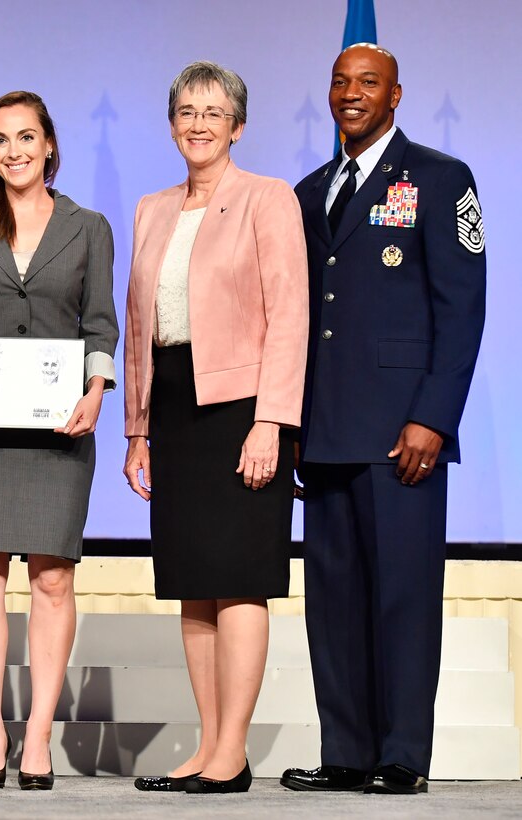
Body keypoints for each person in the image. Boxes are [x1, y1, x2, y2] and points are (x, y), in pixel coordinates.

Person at [281, 44, 486, 797]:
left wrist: (432, 416)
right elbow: (302, 318)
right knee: (332, 601)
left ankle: (400, 754)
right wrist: (290, 418)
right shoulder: (309, 192)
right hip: (327, 427)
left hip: (403, 432)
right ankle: (344, 750)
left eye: (366, 83)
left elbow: (460, 309)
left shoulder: (439, 178)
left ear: (395, 94)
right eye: (339, 82)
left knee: (401, 596)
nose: (350, 94)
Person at [0, 90, 119, 791]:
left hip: (58, 430)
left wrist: (96, 392)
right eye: (1, 140)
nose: (14, 151)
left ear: (49, 146)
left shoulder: (88, 227)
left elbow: (100, 324)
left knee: (51, 578)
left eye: (26, 137)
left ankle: (36, 739)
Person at [123, 62, 308, 795]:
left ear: (236, 124)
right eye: (185, 111)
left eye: (213, 111)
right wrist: (136, 429)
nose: (198, 123)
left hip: (242, 408)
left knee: (238, 583)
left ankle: (232, 752)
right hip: (172, 406)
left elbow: (290, 317)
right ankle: (209, 747)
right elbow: (139, 325)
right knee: (194, 586)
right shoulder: (151, 208)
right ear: (171, 124)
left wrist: (271, 422)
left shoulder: (267, 199)